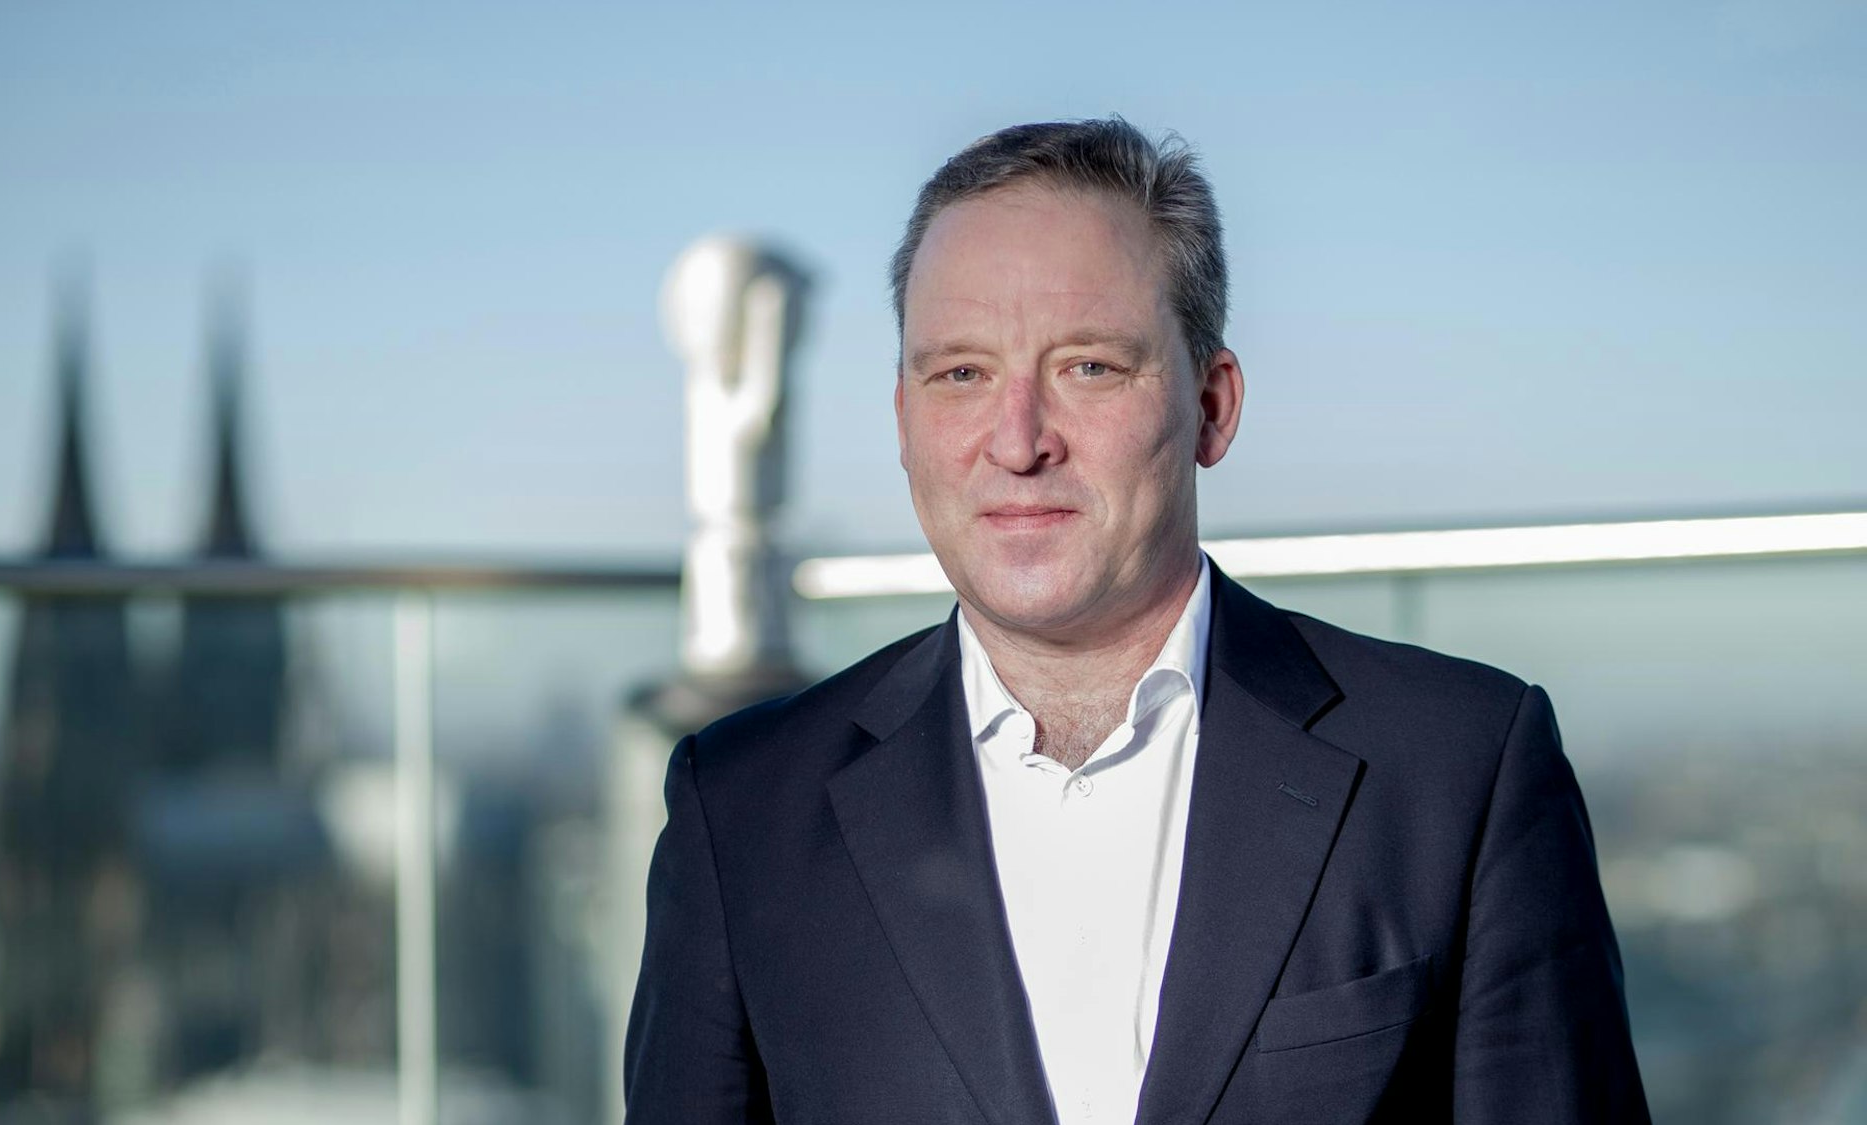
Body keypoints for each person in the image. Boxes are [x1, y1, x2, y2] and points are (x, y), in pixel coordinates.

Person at [624, 118, 1650, 1124]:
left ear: (1210, 405)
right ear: (902, 419)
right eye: (961, 374)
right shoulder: (743, 810)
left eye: (1088, 368)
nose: (1016, 442)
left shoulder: (1455, 770)